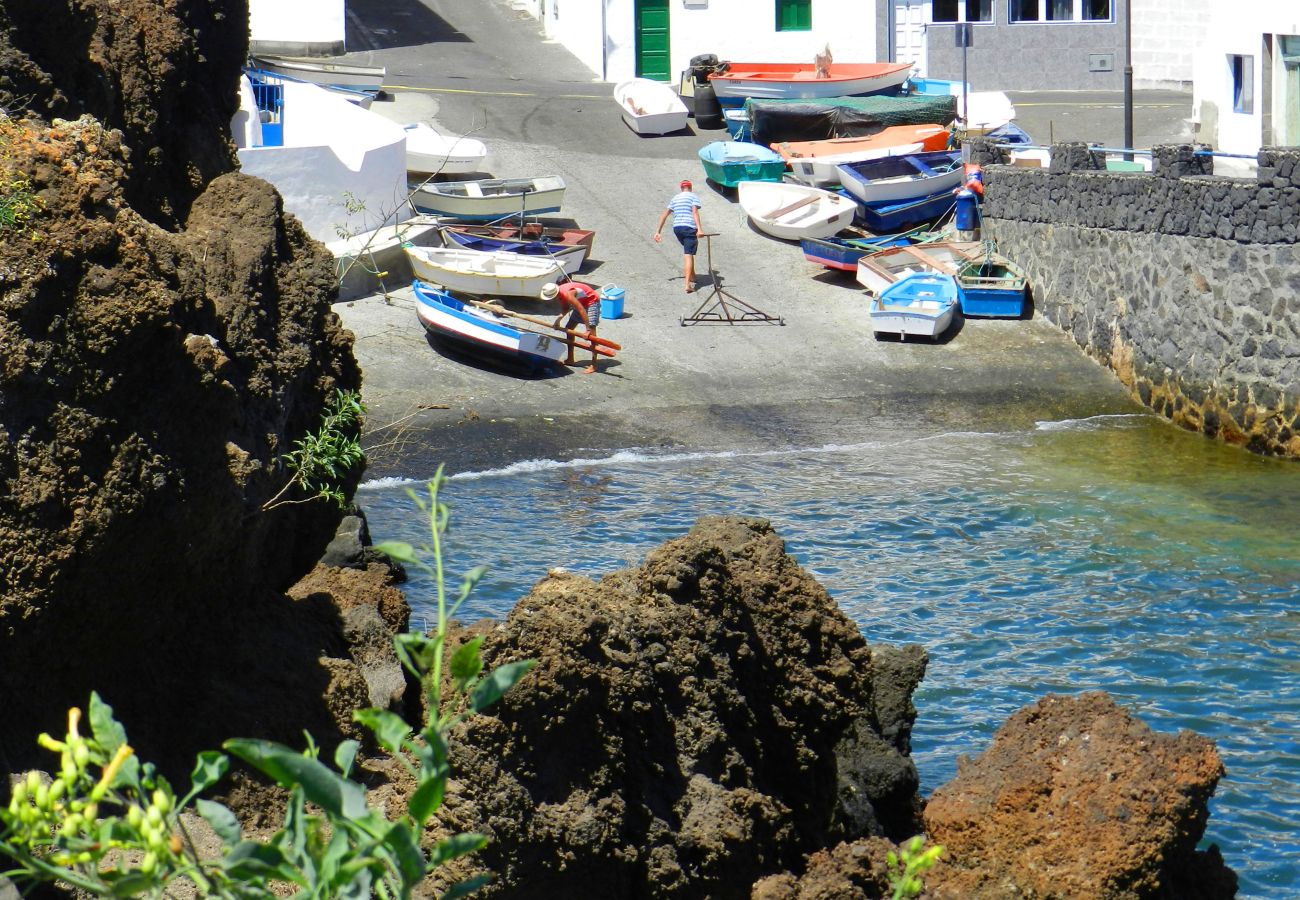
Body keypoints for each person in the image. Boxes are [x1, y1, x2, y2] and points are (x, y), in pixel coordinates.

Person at [540, 281, 601, 374]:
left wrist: (587, 329)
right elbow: (566, 308)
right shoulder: (561, 294)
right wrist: (558, 320)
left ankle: (594, 364)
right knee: (569, 328)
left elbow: (581, 309)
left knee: (592, 335)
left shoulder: (568, 294)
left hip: (591, 301)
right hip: (581, 302)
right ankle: (570, 359)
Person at [653, 179, 703, 293]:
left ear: (681, 188)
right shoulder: (693, 196)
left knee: (688, 251)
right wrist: (699, 229)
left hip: (677, 228)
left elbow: (665, 214)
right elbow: (695, 212)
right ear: (690, 188)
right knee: (688, 254)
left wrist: (658, 231)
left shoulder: (675, 198)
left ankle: (693, 276)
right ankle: (687, 284)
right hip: (689, 227)